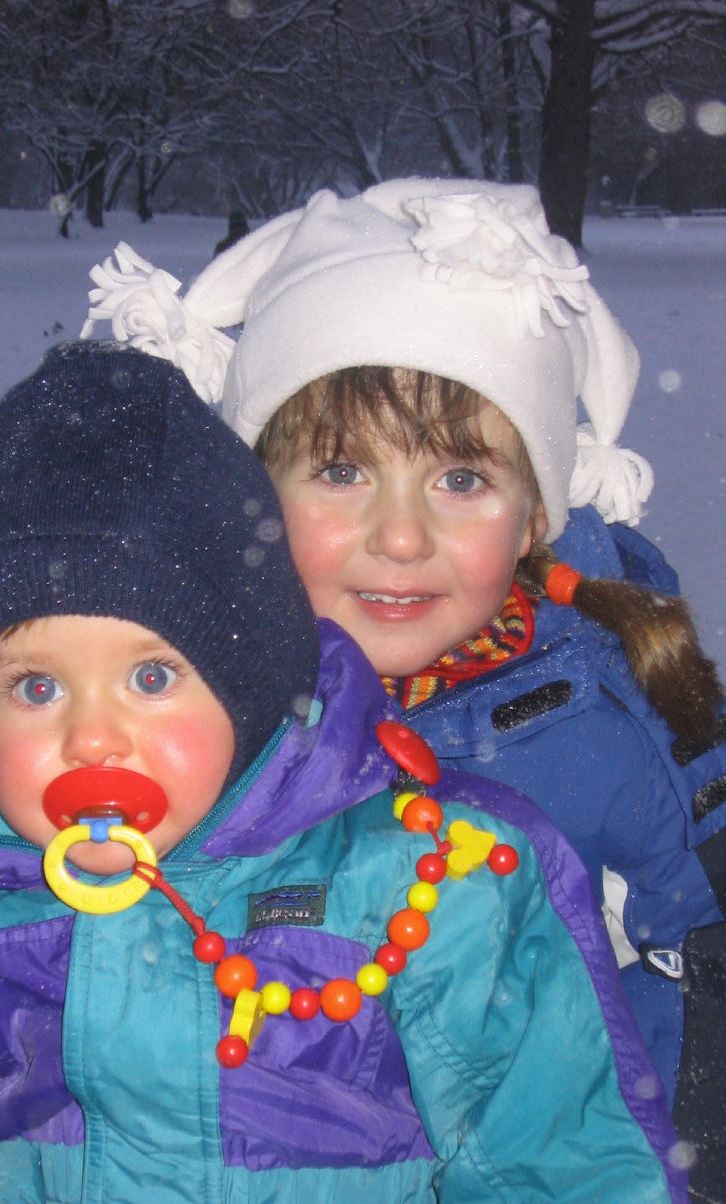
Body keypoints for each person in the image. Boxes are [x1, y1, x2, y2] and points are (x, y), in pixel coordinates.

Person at [0, 342, 685, 1200]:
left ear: (248, 690)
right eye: (35, 687)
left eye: (151, 679)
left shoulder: (432, 880)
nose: (91, 738)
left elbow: (556, 1154)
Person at [78, 178, 726, 1194]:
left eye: (462, 479)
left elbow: (698, 969)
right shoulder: (177, 713)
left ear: (536, 517)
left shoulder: (619, 717)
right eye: (341, 472)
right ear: (252, 494)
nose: (402, 535)